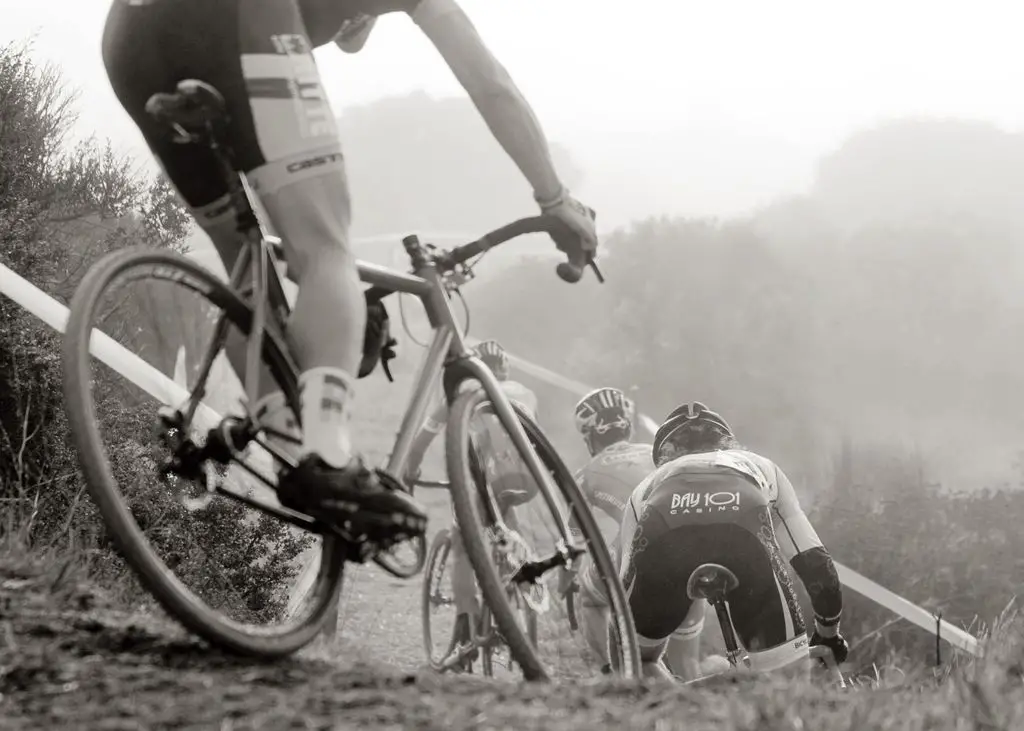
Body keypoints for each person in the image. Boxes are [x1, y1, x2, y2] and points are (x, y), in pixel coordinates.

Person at [100, 0, 598, 537]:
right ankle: (327, 453)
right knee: (324, 249)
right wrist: (554, 197)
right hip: (241, 18)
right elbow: (490, 83)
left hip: (130, 39)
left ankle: (287, 446)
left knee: (245, 260)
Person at [613, 401, 848, 680]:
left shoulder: (647, 486)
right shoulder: (760, 465)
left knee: (636, 662)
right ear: (728, 442)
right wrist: (828, 634)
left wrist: (621, 657)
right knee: (788, 684)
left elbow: (622, 589)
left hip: (662, 532)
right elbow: (817, 566)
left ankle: (675, 711)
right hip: (744, 534)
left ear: (665, 454)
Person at [402, 339, 539, 668]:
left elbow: (421, 442)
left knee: (464, 545)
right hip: (530, 480)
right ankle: (513, 596)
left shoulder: (459, 394)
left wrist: (411, 472)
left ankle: (466, 627)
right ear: (504, 369)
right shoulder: (524, 393)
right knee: (501, 531)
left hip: (488, 481)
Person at [562, 387, 654, 673]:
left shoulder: (586, 472)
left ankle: (610, 673)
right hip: (688, 538)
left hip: (637, 544)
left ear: (590, 435)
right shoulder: (657, 452)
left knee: (590, 599)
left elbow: (575, 540)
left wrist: (565, 578)